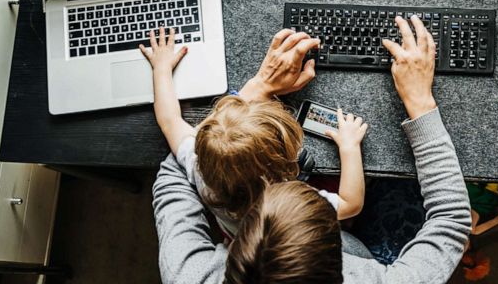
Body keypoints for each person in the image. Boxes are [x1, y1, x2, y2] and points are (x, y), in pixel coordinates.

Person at [152, 16, 472, 284]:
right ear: (341, 270)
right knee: (401, 193)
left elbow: (177, 169)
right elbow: (452, 220)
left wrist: (255, 93)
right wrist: (419, 101)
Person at [140, 28, 369, 237]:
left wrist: (161, 68)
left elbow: (169, 120)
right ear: (286, 165)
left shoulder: (199, 165)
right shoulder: (290, 203)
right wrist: (349, 147)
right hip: (283, 233)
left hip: (238, 233)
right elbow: (351, 204)